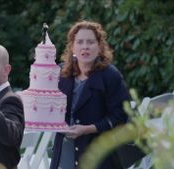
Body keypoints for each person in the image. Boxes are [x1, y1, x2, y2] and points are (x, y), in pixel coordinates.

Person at [50, 20, 130, 169]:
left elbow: (120, 117)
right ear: (72, 47)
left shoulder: (111, 76)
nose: (85, 46)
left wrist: (87, 129)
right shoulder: (60, 74)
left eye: (90, 42)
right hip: (64, 151)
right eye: (79, 42)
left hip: (99, 155)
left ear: (99, 47)